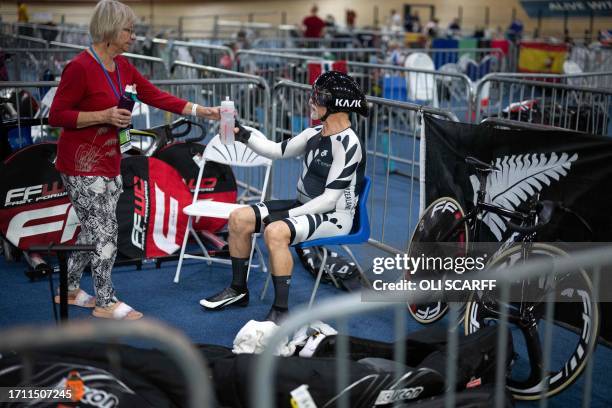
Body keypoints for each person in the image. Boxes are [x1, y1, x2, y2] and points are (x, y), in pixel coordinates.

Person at [48, 0, 220, 320]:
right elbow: (57, 115)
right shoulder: (80, 67)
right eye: (129, 30)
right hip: (81, 165)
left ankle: (69, 287)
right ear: (110, 30)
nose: (133, 36)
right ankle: (105, 300)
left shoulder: (123, 66)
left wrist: (200, 110)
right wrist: (104, 115)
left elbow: (155, 95)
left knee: (93, 228)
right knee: (106, 230)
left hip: (109, 160)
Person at [199, 71, 368, 324]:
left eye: (318, 97)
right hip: (306, 206)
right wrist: (242, 133)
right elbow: (276, 150)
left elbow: (330, 201)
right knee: (238, 218)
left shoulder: (348, 144)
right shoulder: (314, 133)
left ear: (337, 105)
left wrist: (285, 216)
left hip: (335, 216)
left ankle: (281, 311)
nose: (311, 101)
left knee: (276, 231)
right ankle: (238, 290)